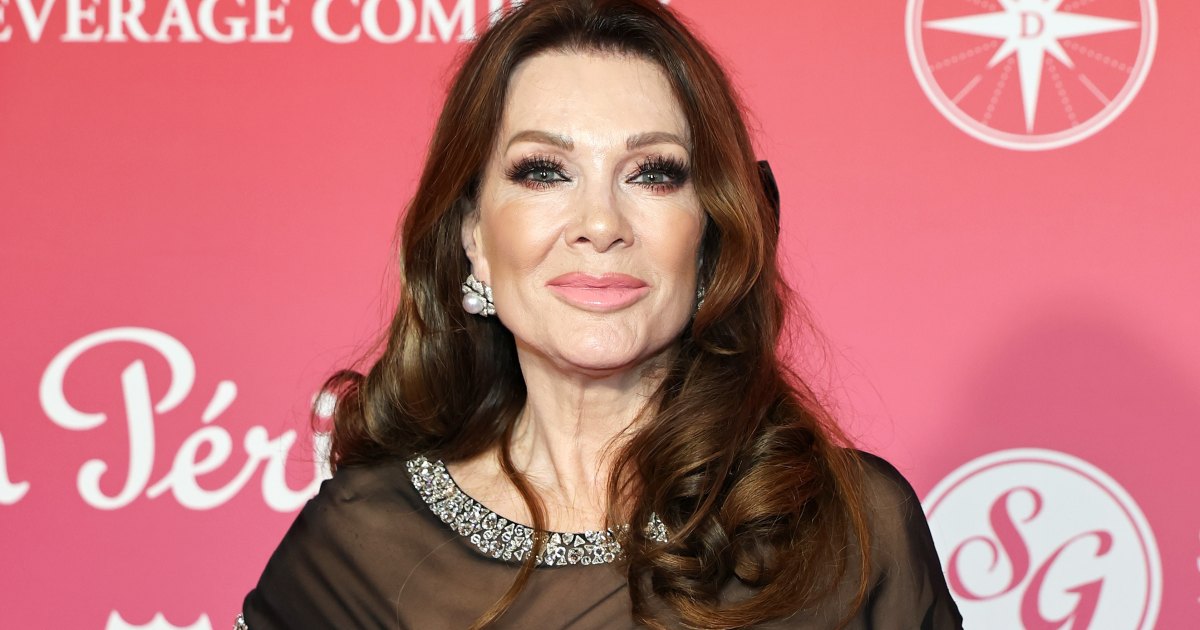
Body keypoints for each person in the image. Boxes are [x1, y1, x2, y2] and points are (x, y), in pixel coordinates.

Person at [237, 0, 963, 627]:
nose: (599, 224)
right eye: (543, 172)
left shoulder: (846, 528)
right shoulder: (358, 553)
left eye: (652, 174)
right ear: (473, 239)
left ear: (710, 235)